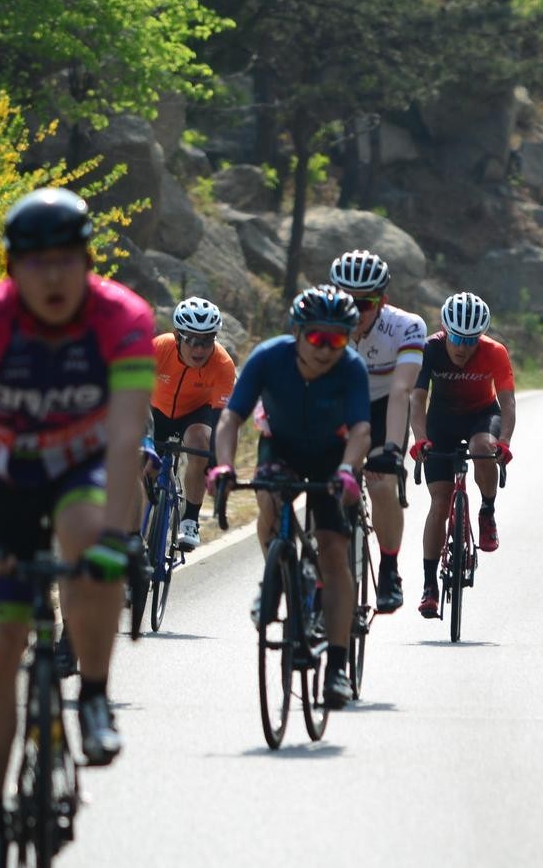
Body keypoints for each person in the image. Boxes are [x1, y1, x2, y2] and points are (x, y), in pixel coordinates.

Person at [0, 188, 152, 868]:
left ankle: (93, 695)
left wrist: (117, 540)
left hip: (83, 467)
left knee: (89, 539)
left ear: (89, 260)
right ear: (12, 268)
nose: (54, 276)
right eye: (37, 263)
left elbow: (125, 438)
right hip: (6, 478)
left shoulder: (123, 317)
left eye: (67, 259)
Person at [207, 286, 373, 708]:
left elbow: (361, 430)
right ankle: (280, 573)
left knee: (333, 552)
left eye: (338, 338)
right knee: (268, 497)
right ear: (297, 332)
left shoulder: (351, 368)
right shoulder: (268, 357)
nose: (326, 348)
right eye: (317, 336)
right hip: (280, 448)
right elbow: (230, 418)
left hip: (331, 455)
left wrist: (347, 469)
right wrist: (223, 466)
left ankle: (336, 669)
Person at [408, 292, 516, 618]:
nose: (462, 347)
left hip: (481, 416)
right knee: (440, 502)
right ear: (445, 331)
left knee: (483, 449)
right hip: (441, 420)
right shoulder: (429, 349)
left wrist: (505, 441)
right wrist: (420, 439)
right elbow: (417, 399)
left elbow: (507, 402)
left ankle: (487, 510)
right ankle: (429, 586)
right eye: (456, 338)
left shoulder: (494, 351)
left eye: (471, 340)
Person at [331, 249, 426, 613]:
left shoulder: (406, 327)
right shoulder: (321, 323)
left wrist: (392, 452)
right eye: (346, 301)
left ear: (382, 301)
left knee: (382, 484)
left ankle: (389, 569)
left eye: (365, 303)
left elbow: (402, 392)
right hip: (339, 407)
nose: (355, 312)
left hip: (385, 406)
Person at [146, 296, 236, 552]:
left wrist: (216, 461)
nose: (200, 349)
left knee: (200, 443)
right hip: (156, 410)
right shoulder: (158, 348)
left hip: (196, 413)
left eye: (207, 341)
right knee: (144, 464)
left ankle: (190, 520)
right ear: (177, 336)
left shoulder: (223, 364)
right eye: (193, 341)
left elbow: (221, 419)